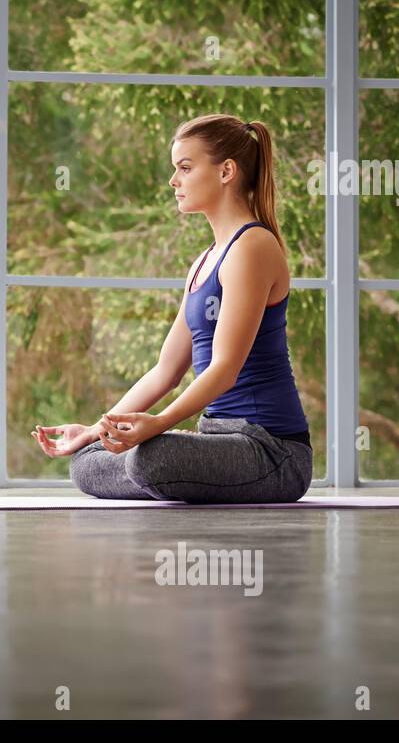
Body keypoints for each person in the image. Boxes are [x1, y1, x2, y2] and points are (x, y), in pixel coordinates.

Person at [31, 114, 313, 504]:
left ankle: (165, 468)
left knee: (152, 458)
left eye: (185, 168)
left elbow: (224, 369)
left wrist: (160, 425)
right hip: (217, 441)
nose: (173, 181)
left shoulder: (252, 247)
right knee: (88, 460)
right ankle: (158, 465)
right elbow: (166, 370)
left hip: (271, 451)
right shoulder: (204, 261)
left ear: (226, 171)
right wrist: (97, 429)